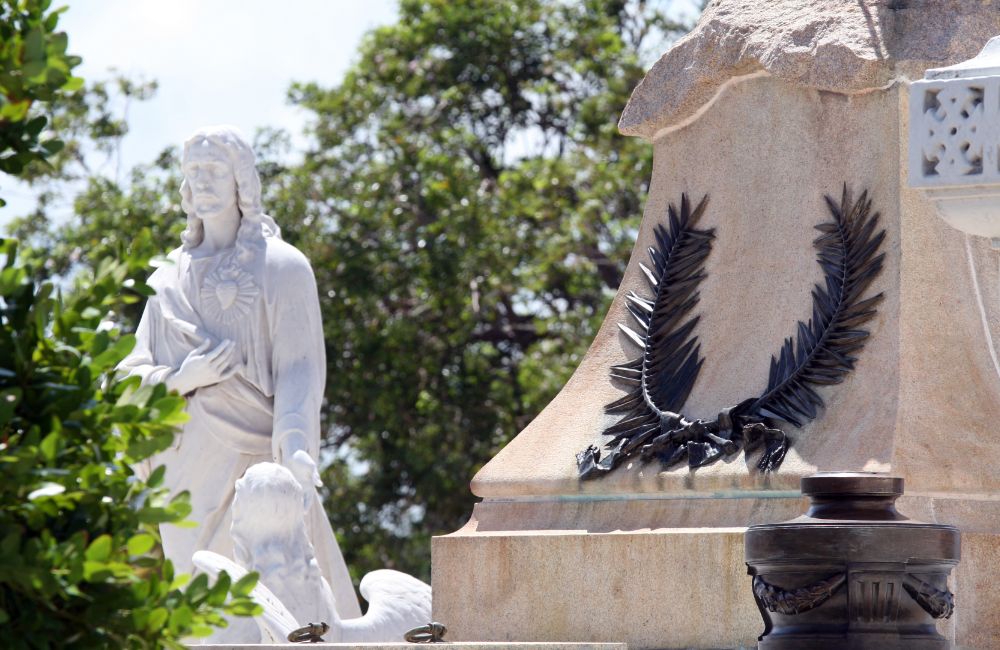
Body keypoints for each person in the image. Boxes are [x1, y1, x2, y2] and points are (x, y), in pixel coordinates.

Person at [119, 125, 361, 618]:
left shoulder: (283, 266)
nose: (200, 182)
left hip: (256, 457)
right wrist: (184, 378)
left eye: (213, 171)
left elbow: (300, 367)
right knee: (197, 600)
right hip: (184, 464)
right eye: (192, 172)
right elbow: (127, 376)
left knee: (268, 594)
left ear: (241, 181)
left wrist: (294, 443)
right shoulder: (166, 281)